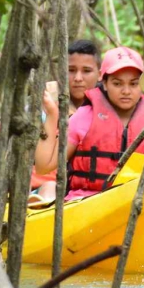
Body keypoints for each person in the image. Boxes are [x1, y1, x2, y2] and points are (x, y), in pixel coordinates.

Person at [60, 46, 144, 200]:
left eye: (134, 84)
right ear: (105, 82)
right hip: (86, 200)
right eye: (117, 84)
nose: (126, 91)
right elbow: (51, 165)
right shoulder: (83, 117)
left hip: (139, 201)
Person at [31, 40, 102, 202]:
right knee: (50, 187)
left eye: (86, 71)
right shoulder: (47, 102)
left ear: (100, 73)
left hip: (86, 192)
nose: (78, 78)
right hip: (43, 189)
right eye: (71, 70)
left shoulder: (108, 108)